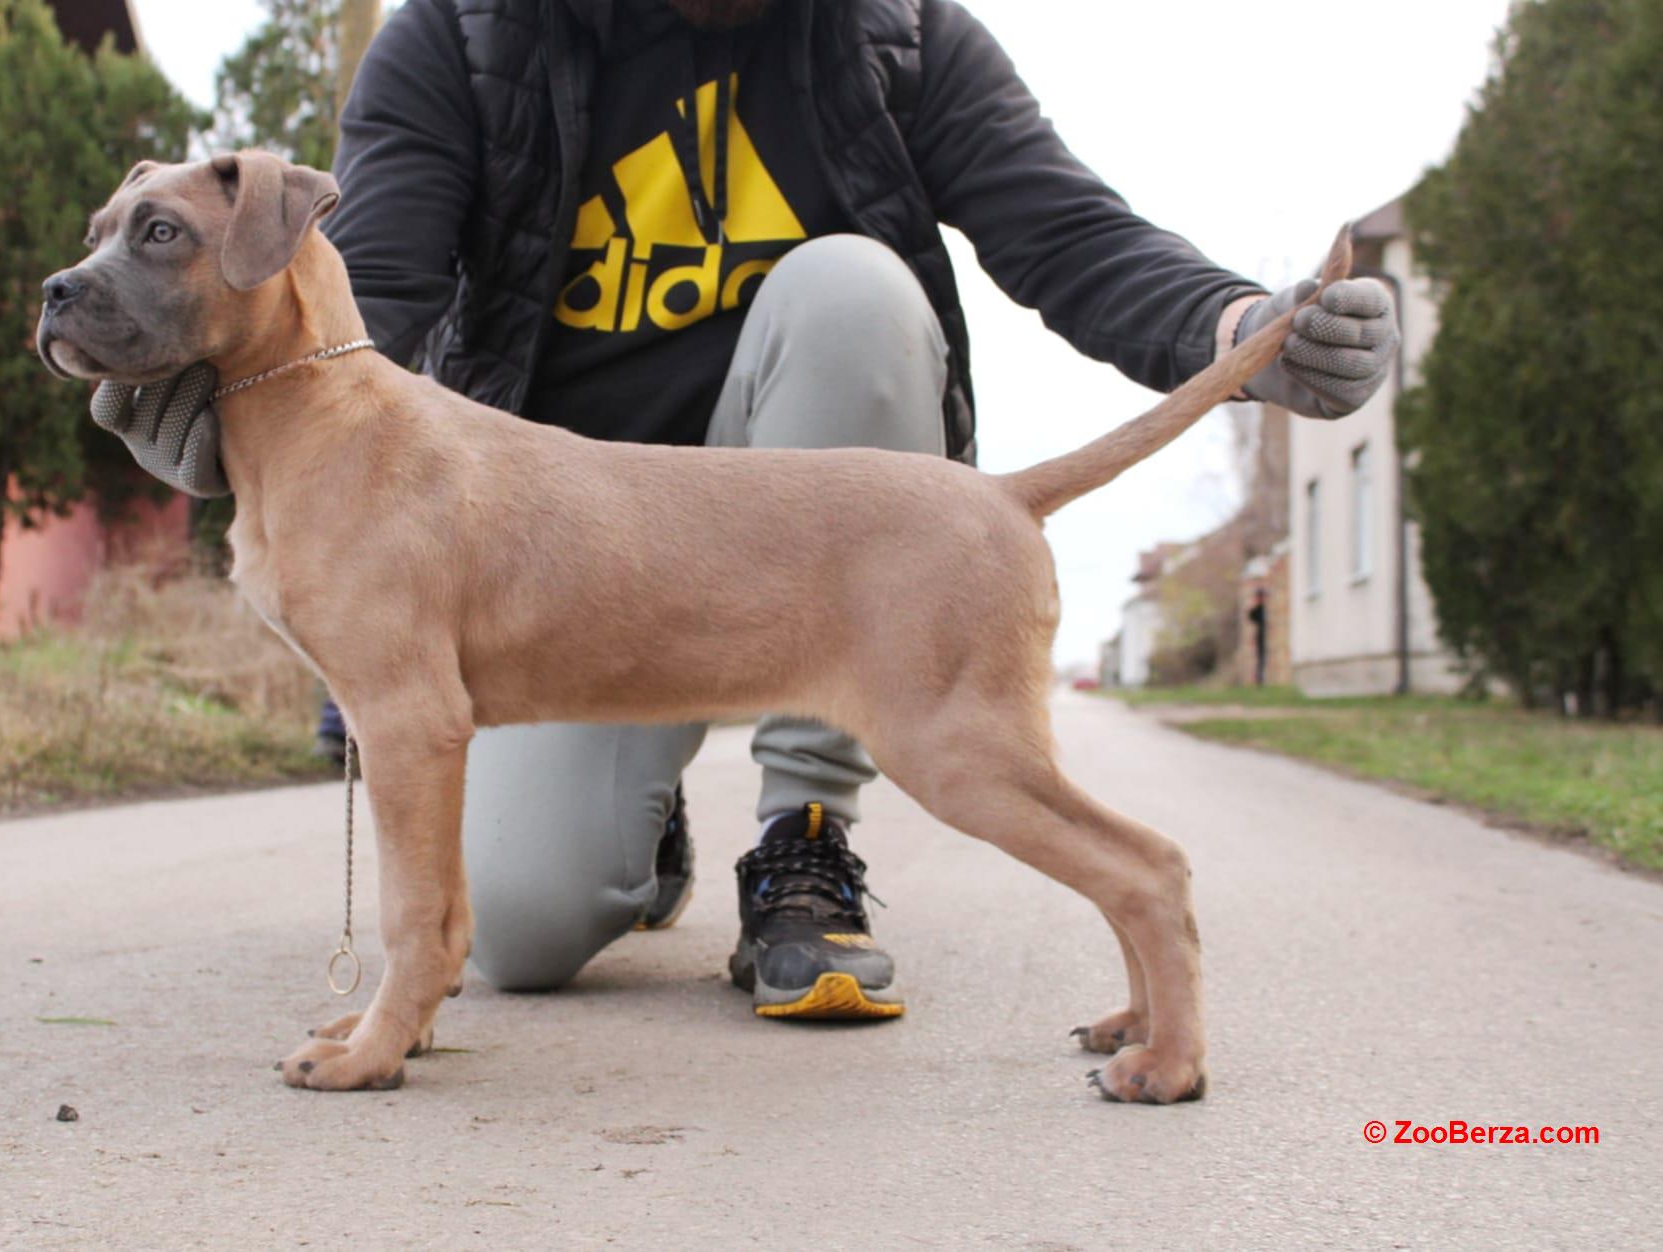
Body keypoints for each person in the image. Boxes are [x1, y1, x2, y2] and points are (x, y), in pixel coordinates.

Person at [100, 0, 1399, 1019]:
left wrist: (1237, 327)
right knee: (526, 931)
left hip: (817, 537)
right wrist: (224, 395)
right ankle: (640, 825)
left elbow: (1067, 231)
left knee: (854, 292)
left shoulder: (898, 33)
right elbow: (359, 298)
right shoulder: (463, 36)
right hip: (564, 554)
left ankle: (803, 831)